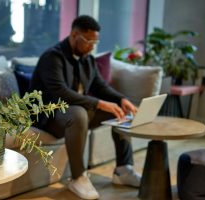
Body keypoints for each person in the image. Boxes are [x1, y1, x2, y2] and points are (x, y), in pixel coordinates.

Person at [30, 15, 141, 200]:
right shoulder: (52, 57)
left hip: (75, 113)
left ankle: (124, 170)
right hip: (49, 116)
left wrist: (121, 100)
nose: (92, 46)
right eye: (89, 40)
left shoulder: (87, 59)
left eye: (95, 42)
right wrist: (99, 103)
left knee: (120, 113)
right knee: (80, 113)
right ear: (74, 35)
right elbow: (61, 93)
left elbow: (100, 86)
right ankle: (78, 177)